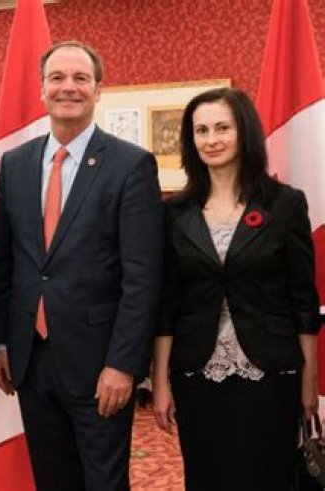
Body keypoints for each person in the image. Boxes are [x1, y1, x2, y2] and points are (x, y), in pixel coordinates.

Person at [0, 40, 164, 490]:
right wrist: (1, 342)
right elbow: (5, 262)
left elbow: (142, 277)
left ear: (98, 90)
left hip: (99, 364)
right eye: (57, 78)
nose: (68, 87)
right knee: (52, 480)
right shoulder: (15, 164)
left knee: (104, 482)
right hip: (31, 360)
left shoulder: (131, 165)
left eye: (80, 78)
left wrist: (123, 364)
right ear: (41, 89)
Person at [151, 87, 320, 491]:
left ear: (244, 132)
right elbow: (167, 303)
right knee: (207, 478)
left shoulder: (284, 204)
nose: (212, 139)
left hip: (271, 373)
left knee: (269, 478)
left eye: (222, 128)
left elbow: (303, 301)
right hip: (197, 374)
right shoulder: (173, 212)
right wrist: (160, 382)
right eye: (201, 130)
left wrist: (309, 380)